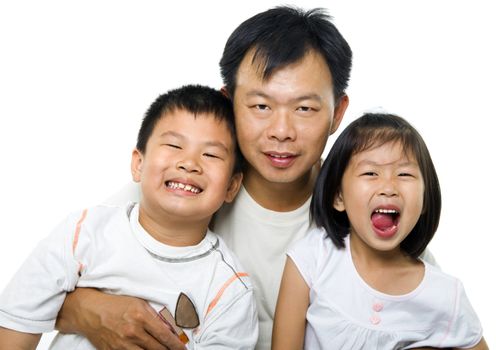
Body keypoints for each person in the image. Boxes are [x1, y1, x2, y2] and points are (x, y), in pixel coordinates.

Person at [54, 6, 353, 350]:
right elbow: (40, 288)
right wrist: (89, 308)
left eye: (304, 108)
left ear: (337, 113)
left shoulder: (365, 206)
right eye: (260, 106)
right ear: (228, 104)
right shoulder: (185, 187)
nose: (281, 131)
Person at [0, 85, 259, 350]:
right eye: (173, 145)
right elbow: (16, 328)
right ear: (138, 164)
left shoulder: (228, 290)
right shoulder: (83, 234)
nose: (189, 163)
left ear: (231, 186)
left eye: (211, 154)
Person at [272, 113, 488, 349]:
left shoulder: (446, 294)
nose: (388, 187)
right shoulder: (312, 258)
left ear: (425, 199)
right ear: (338, 196)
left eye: (404, 174)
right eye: (370, 173)